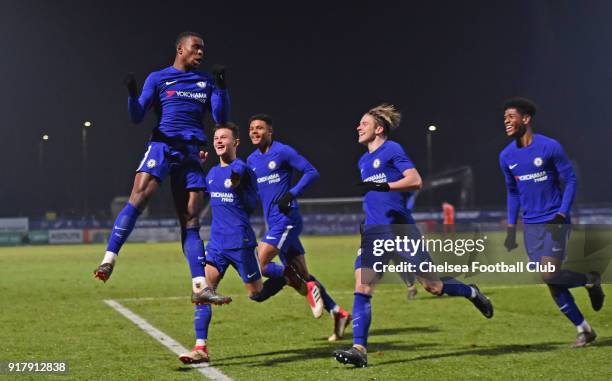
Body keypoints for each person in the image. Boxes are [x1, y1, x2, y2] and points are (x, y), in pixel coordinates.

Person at [334, 104, 493, 367]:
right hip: (374, 232)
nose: (358, 127)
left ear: (379, 128)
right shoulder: (363, 161)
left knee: (433, 286)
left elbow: (415, 180)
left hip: (400, 231)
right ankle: (359, 350)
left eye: (364, 123)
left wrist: (385, 185)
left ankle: (471, 292)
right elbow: (375, 198)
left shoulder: (392, 150)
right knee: (362, 286)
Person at [93, 31, 231, 305]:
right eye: (196, 48)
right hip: (162, 146)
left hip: (191, 153)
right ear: (180, 49)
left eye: (203, 49)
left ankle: (199, 285)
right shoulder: (158, 78)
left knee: (191, 220)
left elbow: (221, 118)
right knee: (139, 198)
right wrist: (132, 95)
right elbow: (136, 116)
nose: (201, 53)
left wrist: (222, 88)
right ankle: (109, 259)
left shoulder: (205, 82)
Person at [179, 123, 288, 364]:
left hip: (240, 243)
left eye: (224, 138)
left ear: (236, 142)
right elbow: (201, 193)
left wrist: (235, 178)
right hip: (217, 244)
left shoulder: (243, 169)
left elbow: (237, 172)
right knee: (201, 293)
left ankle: (285, 275)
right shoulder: (212, 174)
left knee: (257, 294)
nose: (218, 141)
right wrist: (195, 165)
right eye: (216, 137)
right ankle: (201, 349)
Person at [499, 97, 604, 347]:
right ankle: (584, 328)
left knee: (549, 274)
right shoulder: (506, 156)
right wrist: (512, 227)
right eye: (504, 118)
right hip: (531, 225)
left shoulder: (549, 147)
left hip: (554, 219)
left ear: (526, 119)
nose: (506, 122)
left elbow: (571, 181)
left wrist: (561, 213)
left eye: (511, 117)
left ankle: (591, 280)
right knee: (552, 281)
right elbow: (512, 193)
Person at [247, 114, 351, 341]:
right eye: (252, 128)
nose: (255, 132)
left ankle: (286, 278)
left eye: (260, 128)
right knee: (303, 276)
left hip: (286, 220)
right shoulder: (252, 161)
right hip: (274, 223)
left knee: (258, 264)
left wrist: (292, 193)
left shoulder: (283, 151)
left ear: (270, 132)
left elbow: (312, 172)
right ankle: (338, 312)